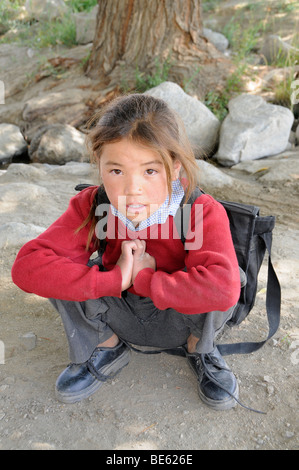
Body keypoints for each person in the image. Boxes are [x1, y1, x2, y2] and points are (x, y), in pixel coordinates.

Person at [11, 93, 241, 410]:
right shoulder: (95, 205)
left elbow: (223, 289)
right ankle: (105, 347)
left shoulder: (197, 210)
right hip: (117, 314)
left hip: (180, 319)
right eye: (116, 171)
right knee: (59, 268)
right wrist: (115, 279)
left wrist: (145, 278)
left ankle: (199, 348)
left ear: (175, 168)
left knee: (229, 278)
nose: (133, 188)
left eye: (150, 171)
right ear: (99, 164)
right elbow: (27, 267)